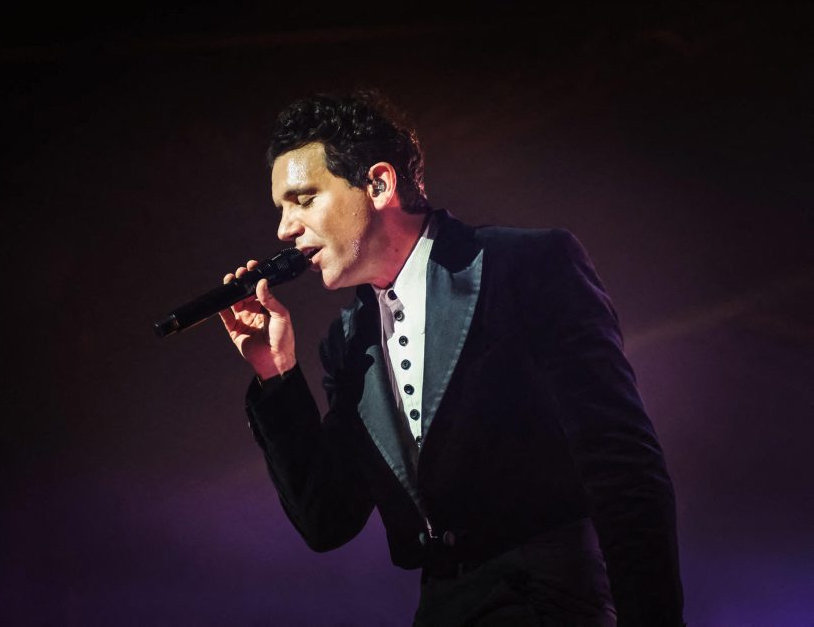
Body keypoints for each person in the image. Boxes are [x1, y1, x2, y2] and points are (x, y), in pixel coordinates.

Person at [218, 91, 684, 626]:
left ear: (379, 184)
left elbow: (622, 462)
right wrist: (276, 374)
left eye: (303, 199)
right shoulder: (348, 341)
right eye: (281, 208)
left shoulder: (523, 266)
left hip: (551, 600)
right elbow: (328, 520)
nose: (285, 228)